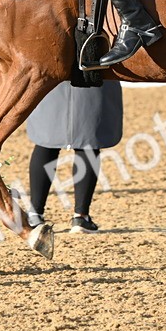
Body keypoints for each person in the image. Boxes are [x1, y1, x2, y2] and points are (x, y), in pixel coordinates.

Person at [26, 80, 124, 233]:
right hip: (92, 73)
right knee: (88, 141)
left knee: (46, 140)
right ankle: (81, 217)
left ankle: (34, 215)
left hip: (52, 78)